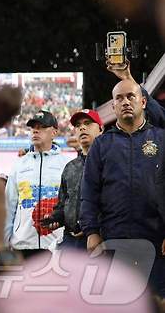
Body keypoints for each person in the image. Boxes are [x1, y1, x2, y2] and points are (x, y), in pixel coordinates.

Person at [80, 79, 165, 296]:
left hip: (155, 241)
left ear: (143, 102)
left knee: (154, 302)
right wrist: (91, 232)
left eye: (131, 96)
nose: (125, 101)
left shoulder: (161, 139)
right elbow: (89, 191)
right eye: (119, 98)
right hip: (113, 240)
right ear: (113, 107)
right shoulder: (101, 144)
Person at [4, 110, 67, 258]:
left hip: (56, 245)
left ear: (54, 132)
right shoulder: (19, 165)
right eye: (33, 128)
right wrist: (4, 242)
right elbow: (9, 205)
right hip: (22, 244)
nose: (36, 131)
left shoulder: (66, 164)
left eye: (42, 127)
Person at [43, 109, 103, 250]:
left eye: (88, 123)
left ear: (101, 129)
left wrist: (94, 229)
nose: (82, 127)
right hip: (70, 240)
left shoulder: (110, 163)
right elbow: (63, 204)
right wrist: (55, 218)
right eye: (77, 125)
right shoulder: (70, 167)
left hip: (99, 240)